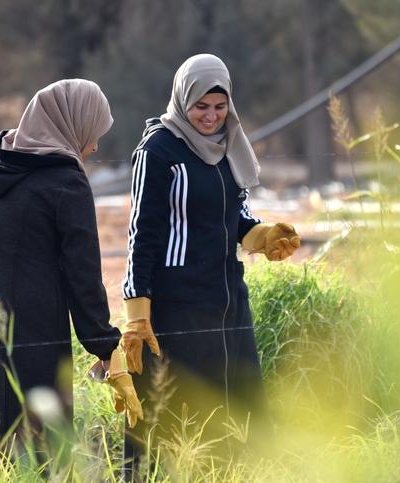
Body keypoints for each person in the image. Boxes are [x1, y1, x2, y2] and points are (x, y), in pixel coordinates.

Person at [119, 54, 301, 476]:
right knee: (181, 414)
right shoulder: (158, 151)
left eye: (220, 107)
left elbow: (233, 217)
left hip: (227, 298)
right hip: (178, 303)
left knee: (241, 407)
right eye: (201, 106)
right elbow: (141, 236)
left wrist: (263, 236)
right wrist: (136, 314)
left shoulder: (226, 146)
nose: (211, 116)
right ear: (183, 101)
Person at [0, 79, 143, 462]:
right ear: (71, 125)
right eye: (93, 133)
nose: (95, 146)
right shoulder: (65, 182)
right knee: (34, 453)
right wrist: (105, 348)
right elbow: (82, 276)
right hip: (30, 335)